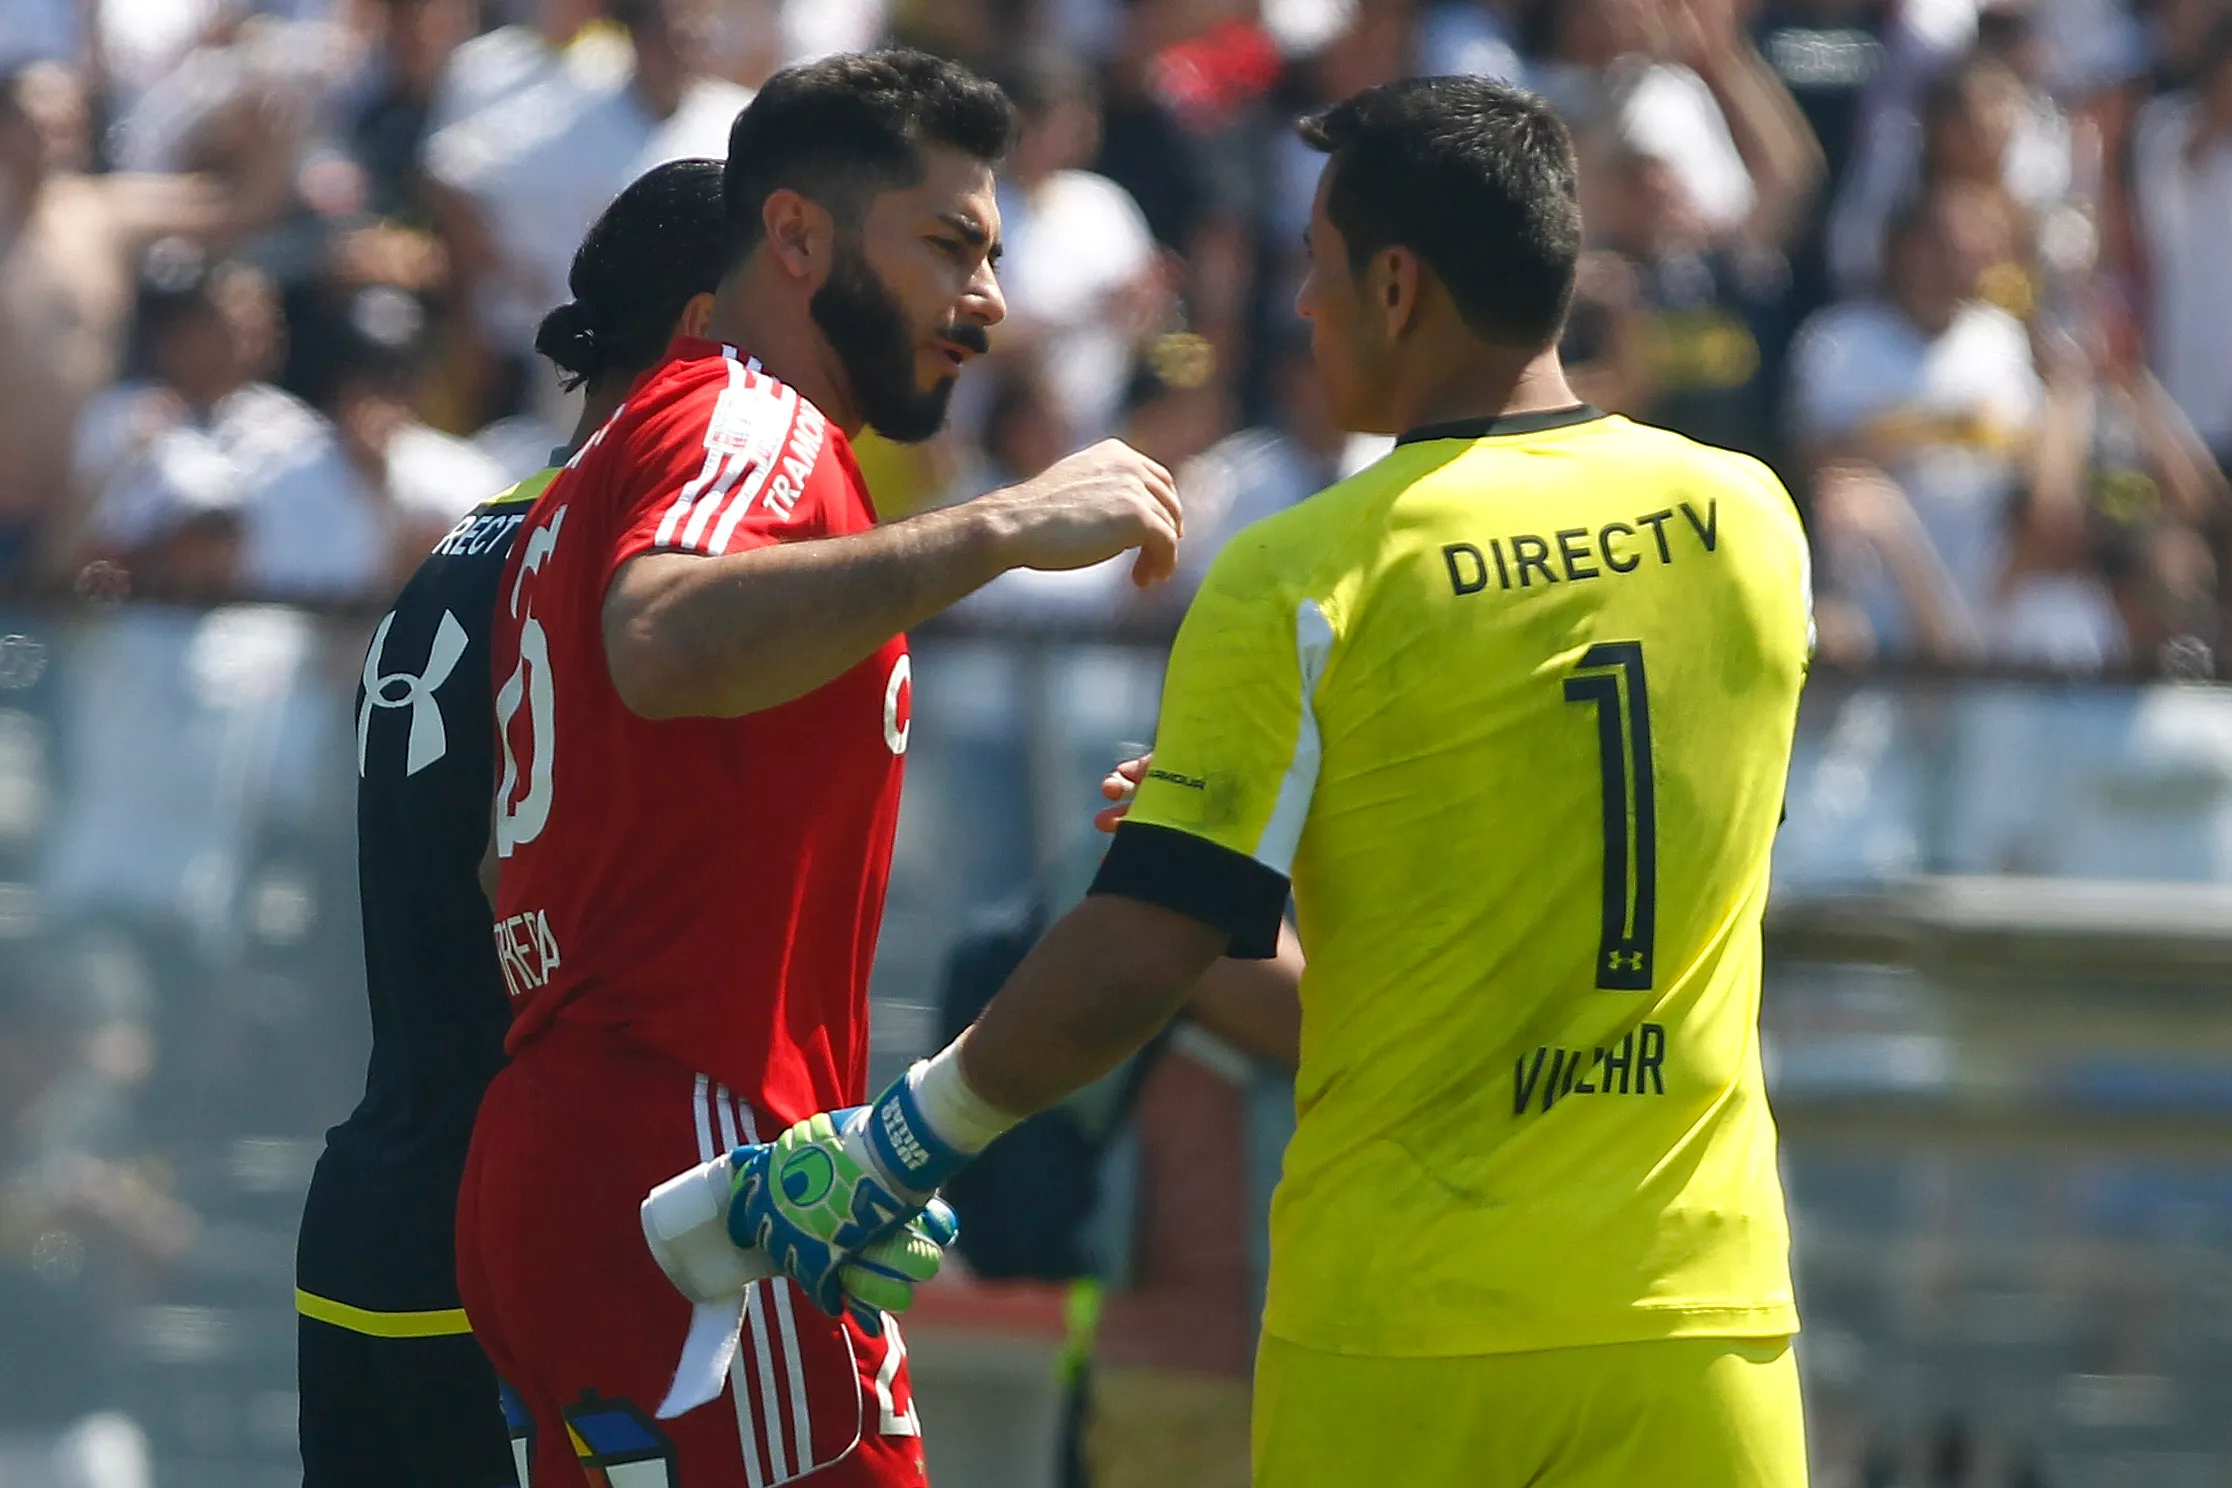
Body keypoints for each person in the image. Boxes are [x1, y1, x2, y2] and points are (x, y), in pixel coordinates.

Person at [726, 75, 1816, 1488]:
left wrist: (908, 1139)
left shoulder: (1310, 571)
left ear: (1398, 285)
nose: (1302, 308)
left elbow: (1143, 946)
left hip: (1406, 1330)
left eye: (1316, 268)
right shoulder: (1748, 520)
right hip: (1695, 1318)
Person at [457, 50, 1191, 1488]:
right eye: (949, 245)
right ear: (795, 237)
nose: (986, 297)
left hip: (608, 1145)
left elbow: (523, 857)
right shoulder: (747, 419)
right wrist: (1000, 528)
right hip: (694, 1162)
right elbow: (662, 639)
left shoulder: (629, 462)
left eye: (995, 254)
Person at [292, 158, 735, 1488]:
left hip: (368, 1214)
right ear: (711, 333)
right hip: (506, 1245)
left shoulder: (459, 544)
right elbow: (520, 881)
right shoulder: (611, 583)